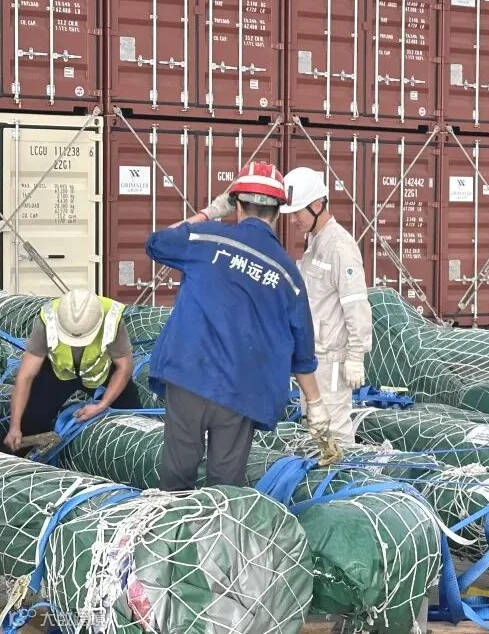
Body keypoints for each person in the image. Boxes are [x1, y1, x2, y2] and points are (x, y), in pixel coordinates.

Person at [145, 160, 341, 492]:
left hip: (189, 375)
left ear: (236, 206)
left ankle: (175, 523)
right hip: (242, 391)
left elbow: (157, 242)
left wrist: (209, 212)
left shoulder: (205, 239)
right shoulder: (288, 275)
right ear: (278, 212)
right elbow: (302, 353)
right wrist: (315, 405)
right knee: (226, 488)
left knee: (177, 477)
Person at [194, 167, 372, 444]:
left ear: (317, 206)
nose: (293, 220)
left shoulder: (339, 246)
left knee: (334, 431)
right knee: (316, 428)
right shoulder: (315, 240)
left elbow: (355, 304)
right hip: (314, 357)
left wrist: (356, 356)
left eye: (298, 213)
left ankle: (341, 468)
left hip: (332, 361)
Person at [2, 289, 141, 454]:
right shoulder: (48, 319)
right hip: (58, 371)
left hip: (101, 370)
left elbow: (124, 366)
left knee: (135, 420)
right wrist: (15, 426)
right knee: (29, 424)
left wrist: (102, 405)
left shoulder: (111, 318)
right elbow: (26, 375)